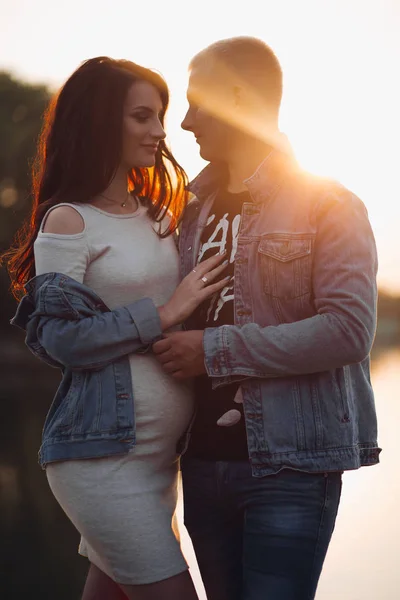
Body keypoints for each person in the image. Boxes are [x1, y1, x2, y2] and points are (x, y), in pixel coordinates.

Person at [153, 36, 381, 600]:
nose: (184, 123)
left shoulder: (329, 203)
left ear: (235, 98)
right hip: (201, 463)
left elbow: (349, 331)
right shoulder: (190, 208)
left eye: (196, 104)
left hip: (291, 467)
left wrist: (212, 349)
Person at [2, 56, 229, 600]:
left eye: (160, 117)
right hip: (100, 460)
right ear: (103, 121)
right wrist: (165, 314)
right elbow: (59, 341)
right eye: (142, 117)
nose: (159, 131)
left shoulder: (160, 216)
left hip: (158, 461)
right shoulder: (69, 221)